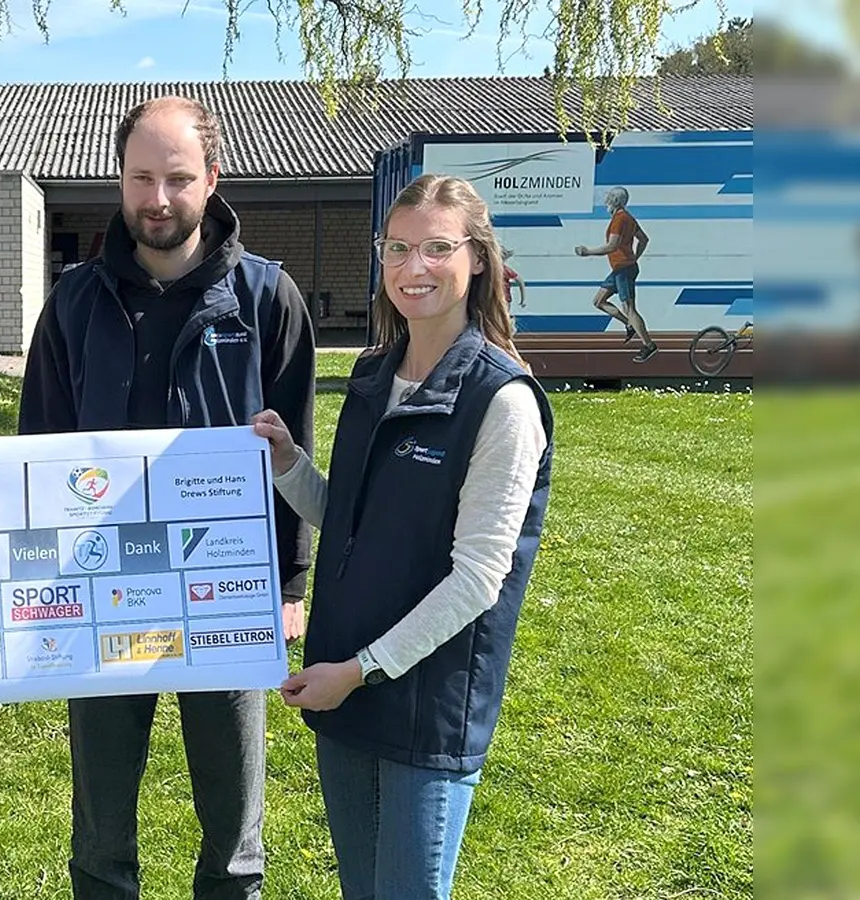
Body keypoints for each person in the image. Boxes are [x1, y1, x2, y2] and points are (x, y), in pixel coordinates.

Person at [18, 96, 316, 900]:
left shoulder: (267, 298)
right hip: (99, 590)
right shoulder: (74, 302)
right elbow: (36, 450)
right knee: (101, 826)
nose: (158, 198)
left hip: (224, 589)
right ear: (118, 179)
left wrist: (290, 581)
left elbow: (294, 446)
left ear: (211, 179)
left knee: (235, 829)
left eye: (178, 178)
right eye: (141, 177)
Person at [252, 173, 554, 900]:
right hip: (347, 691)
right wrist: (288, 464)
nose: (414, 267)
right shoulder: (372, 375)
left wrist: (359, 670)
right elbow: (349, 518)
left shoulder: (502, 401)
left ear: (477, 258)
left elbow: (478, 579)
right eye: (397, 248)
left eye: (437, 248)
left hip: (423, 704)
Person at [575, 186, 656, 362]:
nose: (606, 201)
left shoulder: (620, 219)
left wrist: (587, 252)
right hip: (621, 268)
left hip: (624, 269)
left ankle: (649, 345)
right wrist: (635, 256)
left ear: (616, 201)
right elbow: (644, 239)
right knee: (598, 301)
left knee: (630, 308)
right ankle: (629, 324)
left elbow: (611, 246)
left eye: (609, 198)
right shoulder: (628, 218)